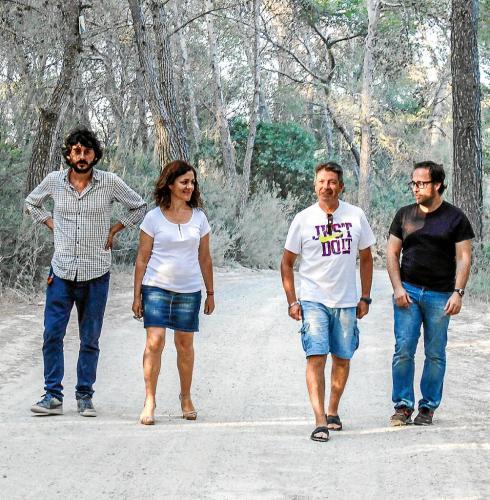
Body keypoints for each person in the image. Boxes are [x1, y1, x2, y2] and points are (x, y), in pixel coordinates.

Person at [25, 127, 146, 417]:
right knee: (52, 334)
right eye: (76, 151)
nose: (82, 156)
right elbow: (31, 202)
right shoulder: (54, 181)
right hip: (61, 272)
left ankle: (84, 396)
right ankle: (52, 396)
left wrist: (116, 229)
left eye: (87, 151)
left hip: (96, 273)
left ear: (95, 155)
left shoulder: (109, 182)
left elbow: (139, 206)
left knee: (90, 339)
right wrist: (50, 222)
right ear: (69, 154)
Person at [281, 162, 375, 442]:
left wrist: (365, 296)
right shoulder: (303, 219)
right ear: (315, 185)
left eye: (332, 182)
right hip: (313, 300)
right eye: (321, 182)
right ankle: (319, 419)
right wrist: (292, 301)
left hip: (346, 301)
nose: (326, 187)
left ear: (341, 186)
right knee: (316, 357)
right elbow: (287, 263)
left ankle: (333, 410)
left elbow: (366, 258)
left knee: (343, 359)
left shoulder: (356, 216)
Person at [387, 161, 474, 426]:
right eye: (413, 183)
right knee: (403, 350)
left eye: (421, 183)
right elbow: (392, 253)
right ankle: (403, 406)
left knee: (435, 353)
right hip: (408, 292)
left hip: (440, 295)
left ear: (437, 184)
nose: (415, 188)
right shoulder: (404, 215)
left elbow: (464, 257)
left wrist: (458, 292)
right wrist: (398, 288)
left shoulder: (455, 218)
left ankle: (427, 407)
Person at [132, 160, 214, 425]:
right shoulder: (153, 218)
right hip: (156, 287)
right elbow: (142, 258)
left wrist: (210, 292)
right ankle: (150, 400)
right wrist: (136, 296)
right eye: (184, 182)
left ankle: (186, 397)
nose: (190, 187)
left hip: (188, 291)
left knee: (185, 345)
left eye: (192, 182)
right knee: (154, 342)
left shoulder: (199, 218)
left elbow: (205, 258)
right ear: (170, 184)